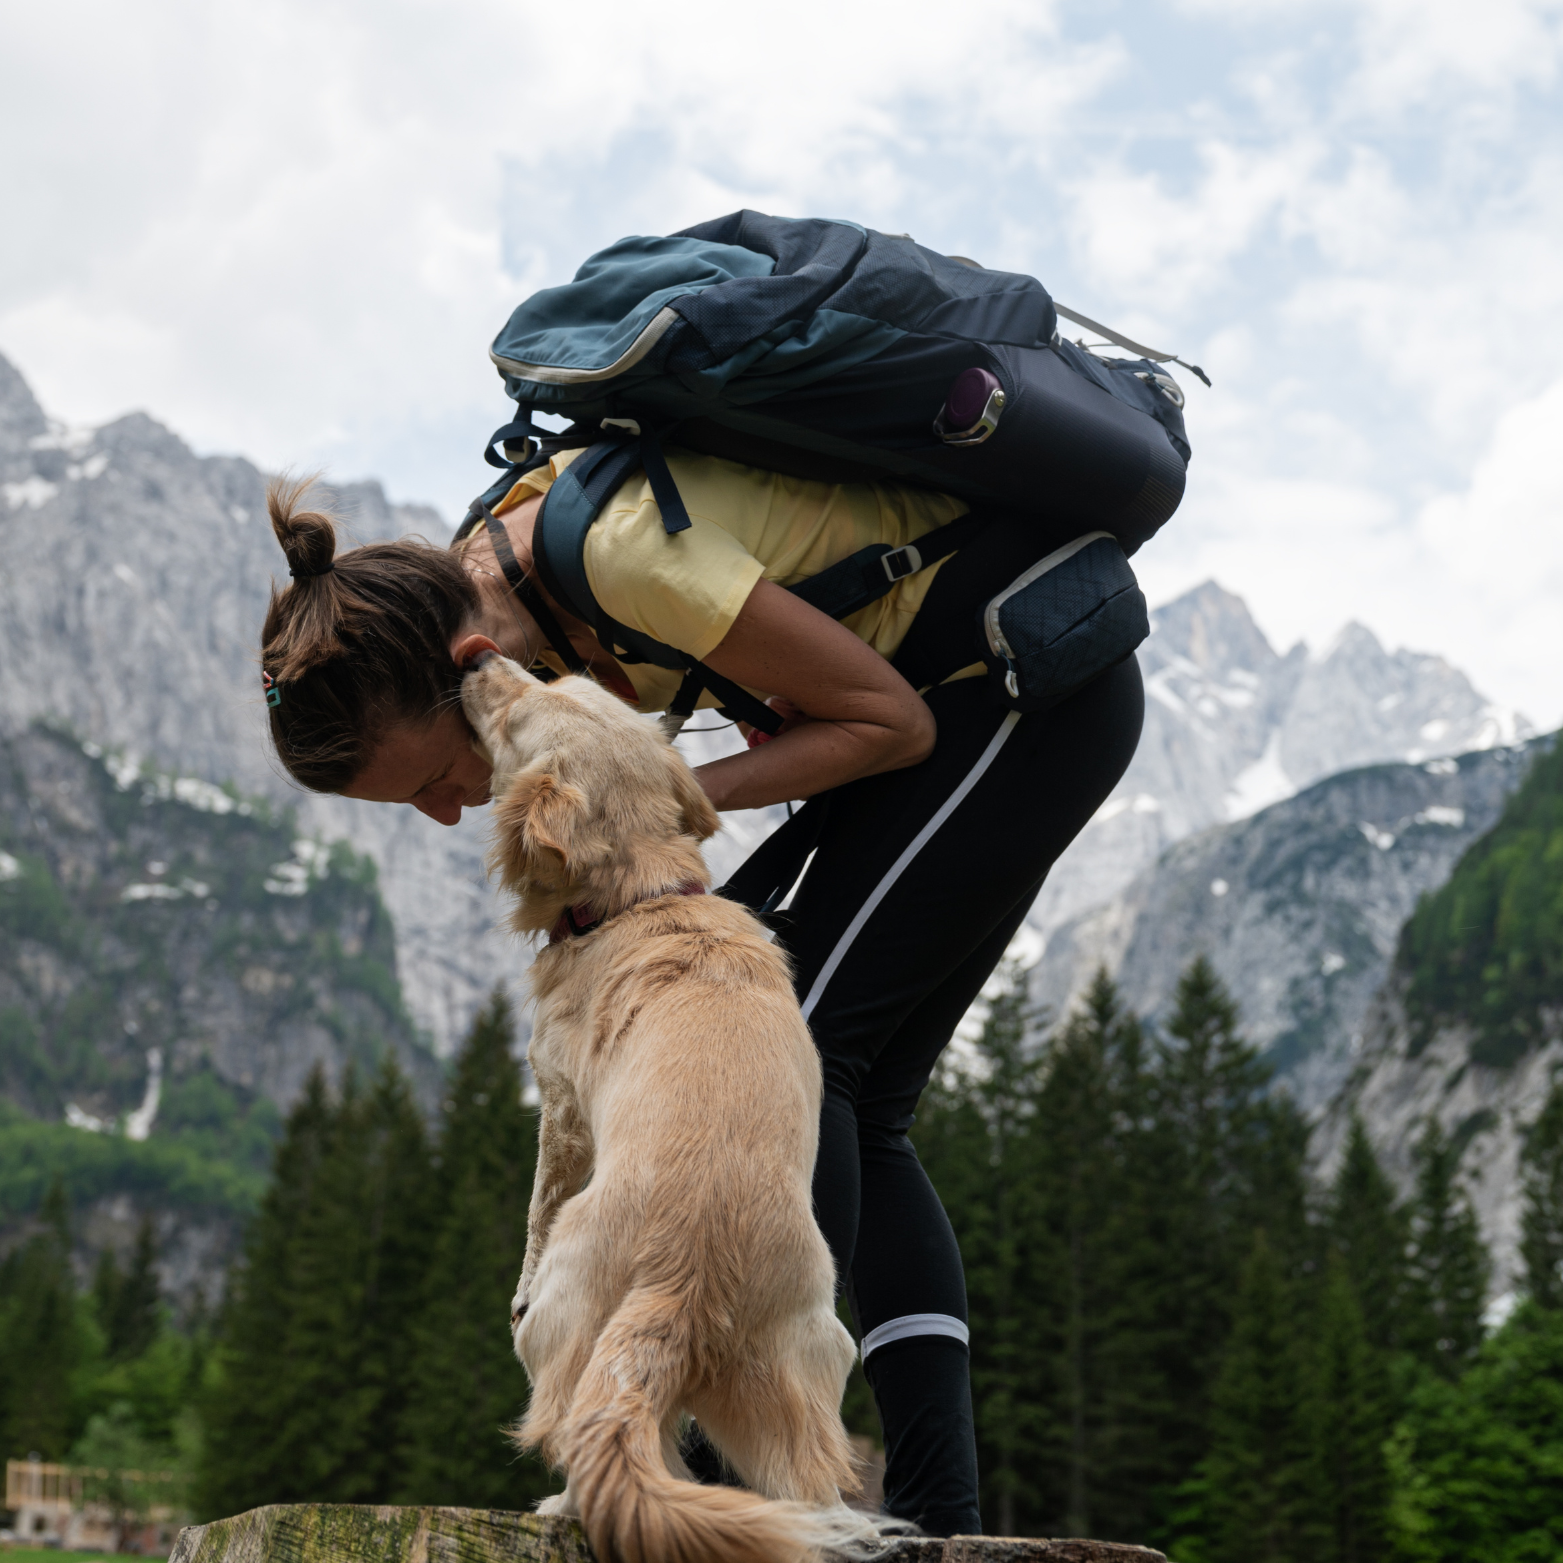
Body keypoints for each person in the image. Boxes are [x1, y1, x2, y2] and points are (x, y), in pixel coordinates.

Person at [260, 446, 1144, 1535]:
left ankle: (727, 1500)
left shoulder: (621, 559)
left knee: (798, 1046)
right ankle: (927, 1512)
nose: (451, 810)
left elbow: (888, 725)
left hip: (1014, 696)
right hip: (957, 708)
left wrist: (649, 796)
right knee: (862, 1101)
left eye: (434, 780)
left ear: (465, 663)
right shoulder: (516, 604)